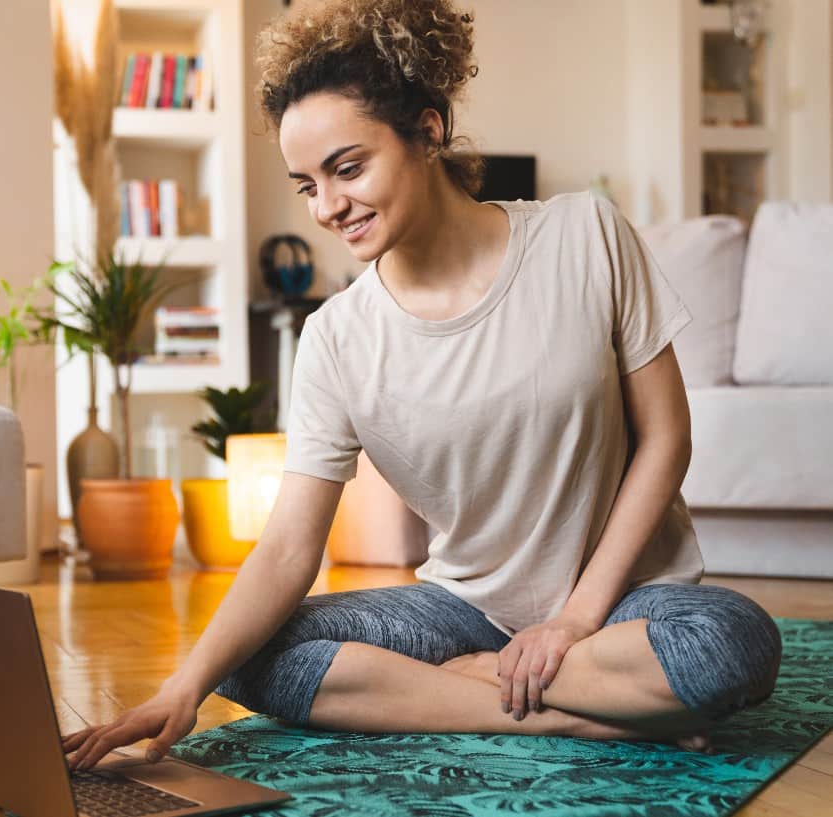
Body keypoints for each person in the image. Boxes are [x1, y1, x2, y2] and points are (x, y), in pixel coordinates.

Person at [63, 0, 782, 771]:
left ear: (429, 129)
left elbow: (667, 437)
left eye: (348, 168)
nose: (329, 207)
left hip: (624, 608)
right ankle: (556, 716)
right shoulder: (336, 337)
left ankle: (458, 691)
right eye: (307, 185)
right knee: (244, 657)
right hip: (461, 611)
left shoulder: (586, 235)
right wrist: (184, 685)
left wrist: (572, 622)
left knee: (729, 644)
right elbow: (287, 548)